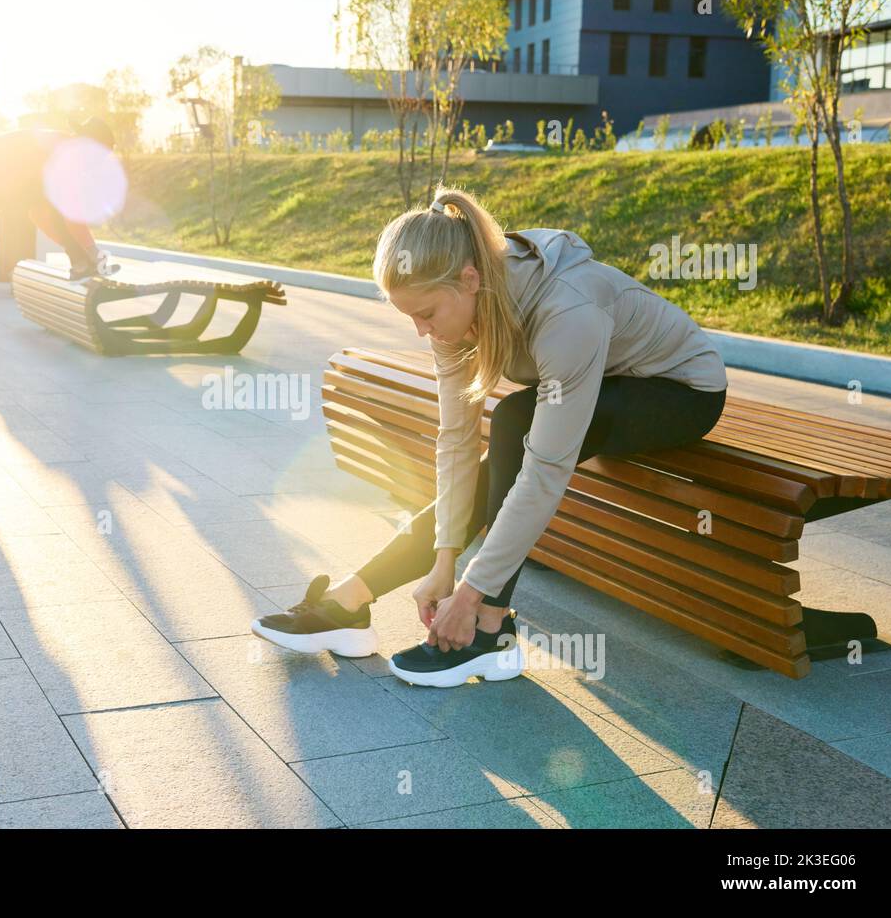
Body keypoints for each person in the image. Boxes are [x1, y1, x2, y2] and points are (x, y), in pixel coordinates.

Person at [252, 185, 729, 687]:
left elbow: (545, 473)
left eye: (427, 313)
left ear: (469, 279)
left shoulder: (567, 313)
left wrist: (472, 591)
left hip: (679, 393)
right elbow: (455, 442)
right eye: (409, 316)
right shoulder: (456, 313)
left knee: (515, 421)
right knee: (510, 426)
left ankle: (490, 629)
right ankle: (350, 602)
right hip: (604, 378)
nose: (420, 330)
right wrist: (443, 560)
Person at [0, 117, 121, 367]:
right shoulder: (61, 154)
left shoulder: (60, 147)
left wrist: (85, 255)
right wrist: (87, 255)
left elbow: (41, 211)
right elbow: (58, 211)